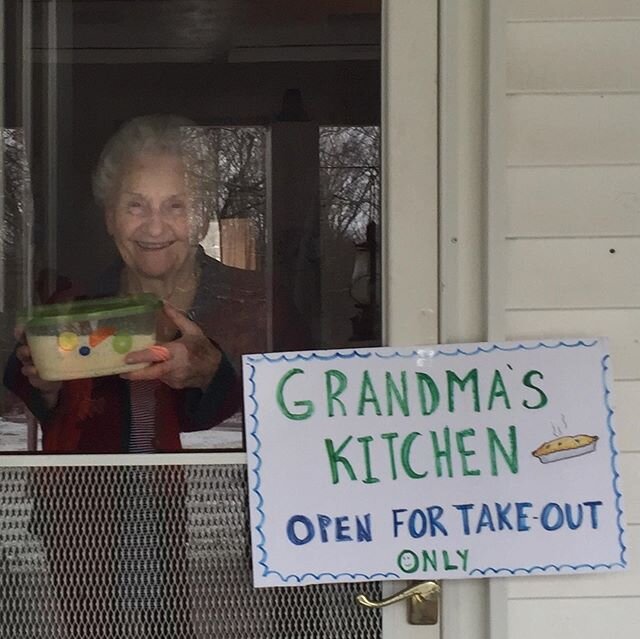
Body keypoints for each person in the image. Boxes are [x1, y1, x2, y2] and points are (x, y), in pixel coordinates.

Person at [2, 114, 289, 638]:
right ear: (109, 217)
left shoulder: (255, 307)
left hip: (215, 545)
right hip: (89, 546)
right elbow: (23, 412)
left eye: (175, 205)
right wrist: (43, 390)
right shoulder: (74, 308)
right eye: (135, 205)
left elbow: (296, 418)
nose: (154, 227)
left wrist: (211, 374)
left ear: (201, 216)